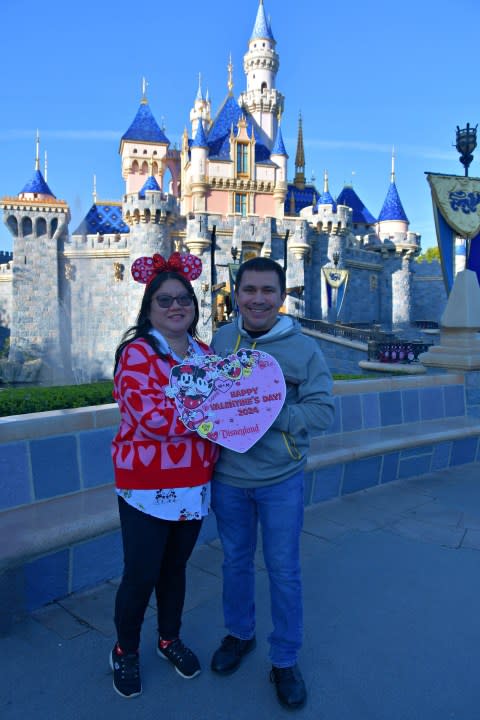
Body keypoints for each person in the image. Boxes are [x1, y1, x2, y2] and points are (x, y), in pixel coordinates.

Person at [210, 256, 334, 710]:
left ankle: (284, 658)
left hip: (280, 479)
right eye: (249, 290)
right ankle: (239, 635)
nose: (258, 299)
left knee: (283, 570)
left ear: (282, 298)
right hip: (228, 478)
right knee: (235, 562)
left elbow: (322, 411)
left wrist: (271, 413)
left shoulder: (305, 351)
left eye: (268, 291)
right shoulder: (223, 340)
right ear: (236, 294)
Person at [110, 251, 218, 698]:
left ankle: (168, 638)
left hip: (193, 484)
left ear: (194, 305)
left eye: (184, 299)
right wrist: (213, 411)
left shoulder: (206, 353)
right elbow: (151, 418)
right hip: (145, 488)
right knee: (141, 574)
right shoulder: (136, 354)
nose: (176, 307)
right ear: (149, 308)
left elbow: (225, 412)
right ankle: (125, 649)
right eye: (165, 300)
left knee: (175, 571)